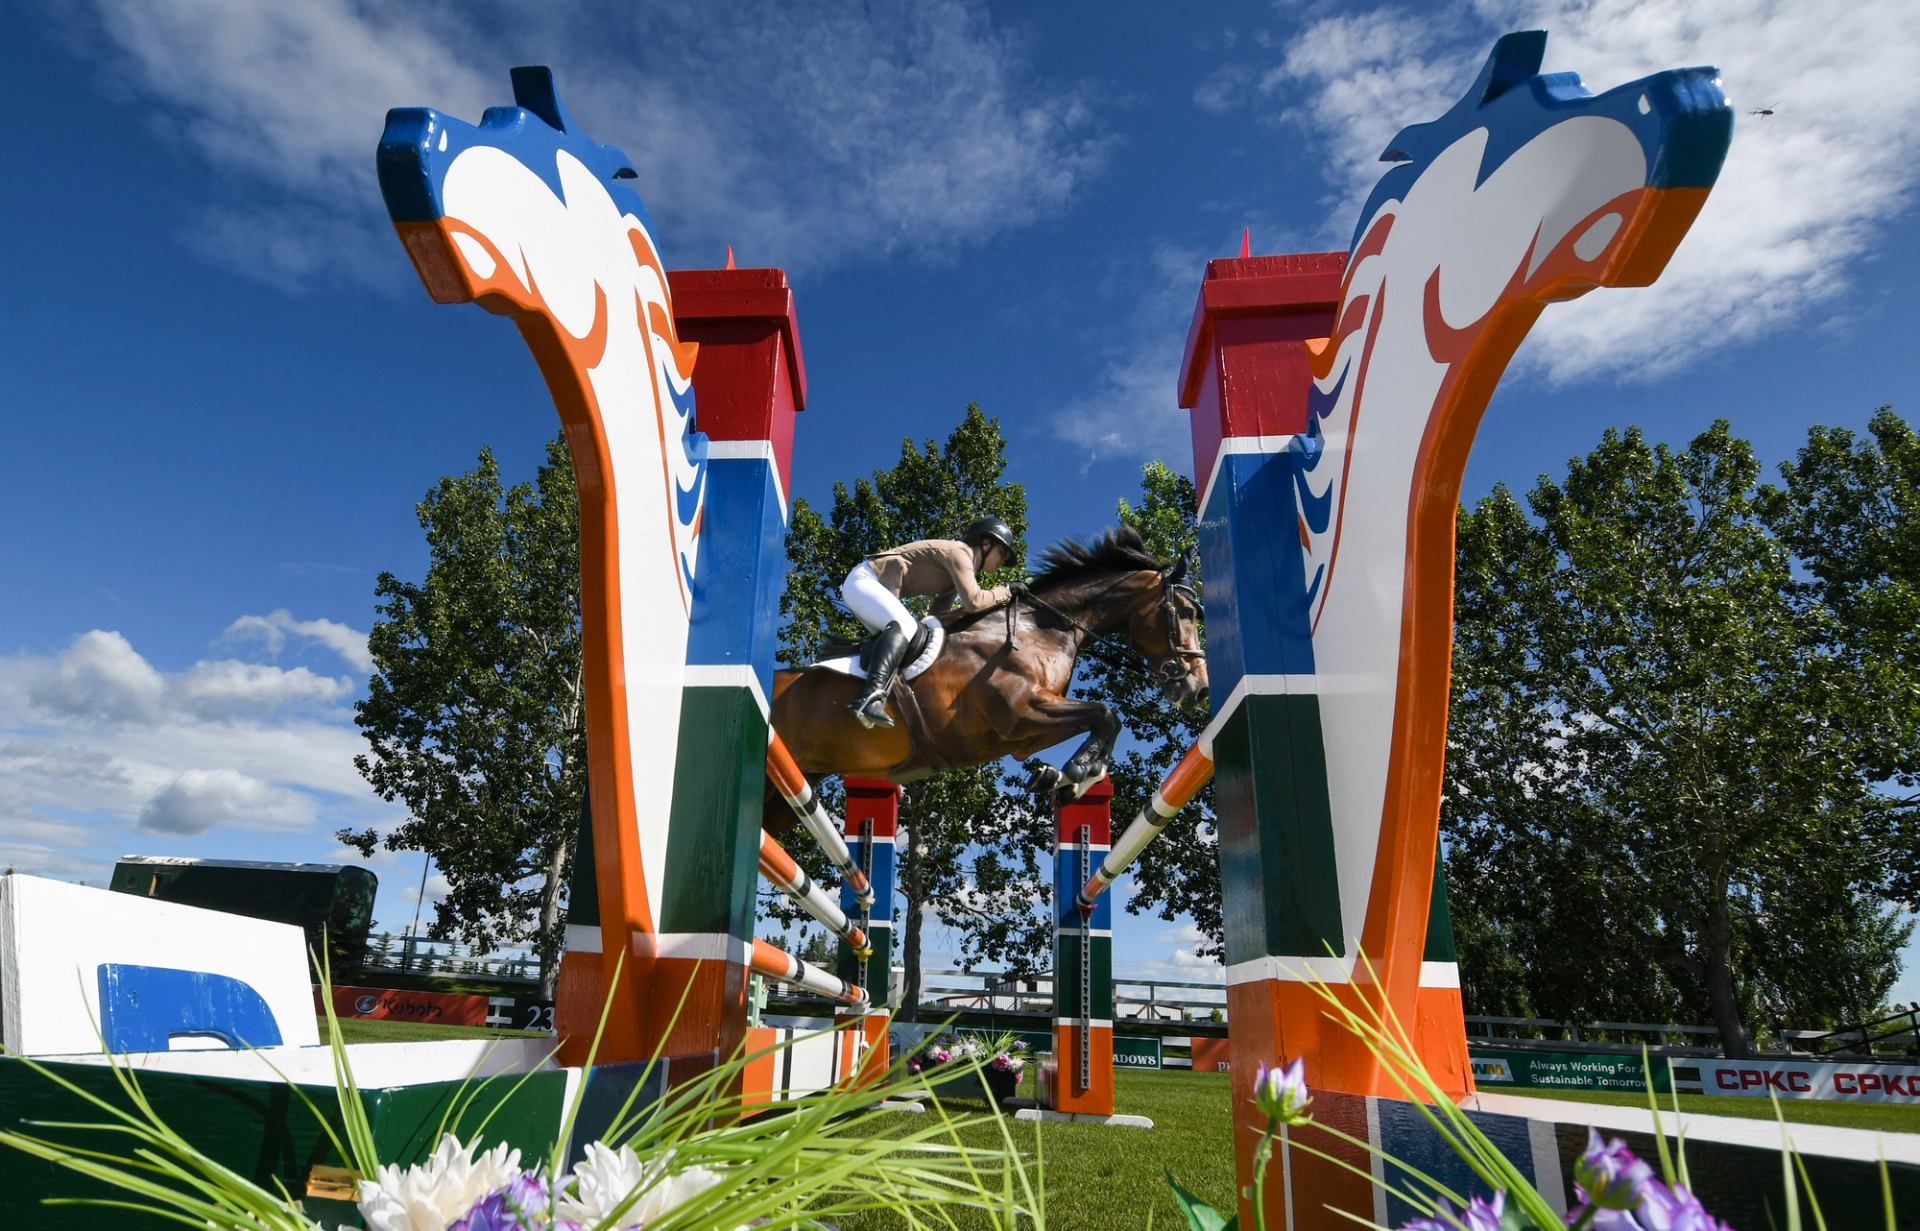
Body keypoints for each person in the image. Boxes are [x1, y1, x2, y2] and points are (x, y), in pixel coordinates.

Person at [841, 516, 1019, 729]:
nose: (1002, 562)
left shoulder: (955, 574)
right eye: (1002, 552)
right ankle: (870, 697)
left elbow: (937, 617)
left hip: (871, 586)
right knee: (906, 627)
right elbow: (974, 601)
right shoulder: (960, 553)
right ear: (986, 543)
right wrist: (1005, 592)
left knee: (916, 641)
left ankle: (865, 693)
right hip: (865, 579)